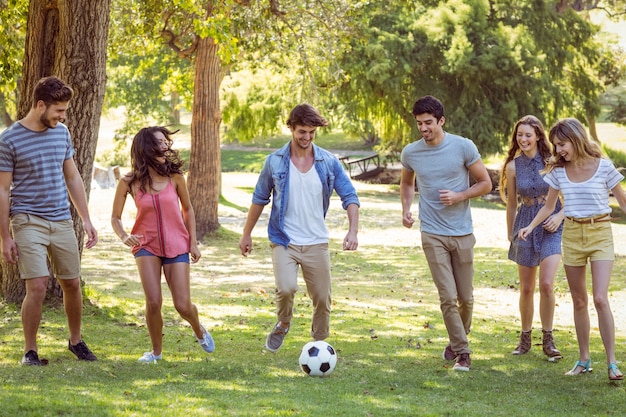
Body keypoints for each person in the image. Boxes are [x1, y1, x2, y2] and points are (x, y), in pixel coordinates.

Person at [238, 103, 360, 352]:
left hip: (316, 241)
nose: (307, 137)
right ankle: (283, 322)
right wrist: (246, 233)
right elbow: (260, 198)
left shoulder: (328, 161)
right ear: (291, 128)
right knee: (286, 288)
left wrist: (353, 230)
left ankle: (319, 344)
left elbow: (350, 196)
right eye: (302, 131)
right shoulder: (274, 162)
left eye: (312, 132)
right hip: (284, 240)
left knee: (322, 299)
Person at [0, 76, 98, 366]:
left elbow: (72, 177)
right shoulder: (9, 139)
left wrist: (87, 219)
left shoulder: (62, 133)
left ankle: (76, 341)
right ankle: (30, 351)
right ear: (40, 105)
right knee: (38, 285)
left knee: (71, 283)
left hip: (61, 219)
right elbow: (3, 190)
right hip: (27, 219)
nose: (63, 116)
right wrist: (5, 236)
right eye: (59, 110)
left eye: (64, 111)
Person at [519, 118, 624, 380]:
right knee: (579, 300)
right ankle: (584, 359)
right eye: (555, 146)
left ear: (576, 138)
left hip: (600, 232)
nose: (559, 150)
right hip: (572, 235)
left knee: (600, 298)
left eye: (562, 144)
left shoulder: (604, 167)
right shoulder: (558, 172)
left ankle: (612, 362)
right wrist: (530, 227)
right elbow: (547, 207)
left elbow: (623, 201)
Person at [400, 95, 492, 371]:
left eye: (429, 123)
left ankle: (455, 341)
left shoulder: (463, 147)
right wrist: (406, 209)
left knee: (467, 298)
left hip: (462, 232)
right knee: (447, 296)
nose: (424, 128)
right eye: (419, 124)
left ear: (441, 120)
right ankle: (463, 352)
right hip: (432, 232)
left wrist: (460, 195)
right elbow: (406, 183)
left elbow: (486, 183)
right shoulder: (411, 152)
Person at [111, 126, 214, 363]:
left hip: (177, 243)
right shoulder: (129, 181)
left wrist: (193, 243)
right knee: (154, 301)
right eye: (160, 142)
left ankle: (199, 329)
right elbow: (115, 218)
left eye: (166, 142)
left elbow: (187, 209)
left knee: (183, 305)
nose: (166, 146)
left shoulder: (175, 177)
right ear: (146, 148)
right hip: (146, 244)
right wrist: (124, 235)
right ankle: (156, 352)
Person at [499, 115, 564, 360]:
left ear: (538, 135)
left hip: (551, 224)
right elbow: (512, 203)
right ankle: (525, 337)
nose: (523, 139)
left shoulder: (552, 161)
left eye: (528, 134)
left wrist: (560, 217)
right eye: (519, 135)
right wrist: (510, 233)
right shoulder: (513, 166)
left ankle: (548, 339)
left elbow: (568, 194)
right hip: (525, 224)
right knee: (526, 288)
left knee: (546, 283)